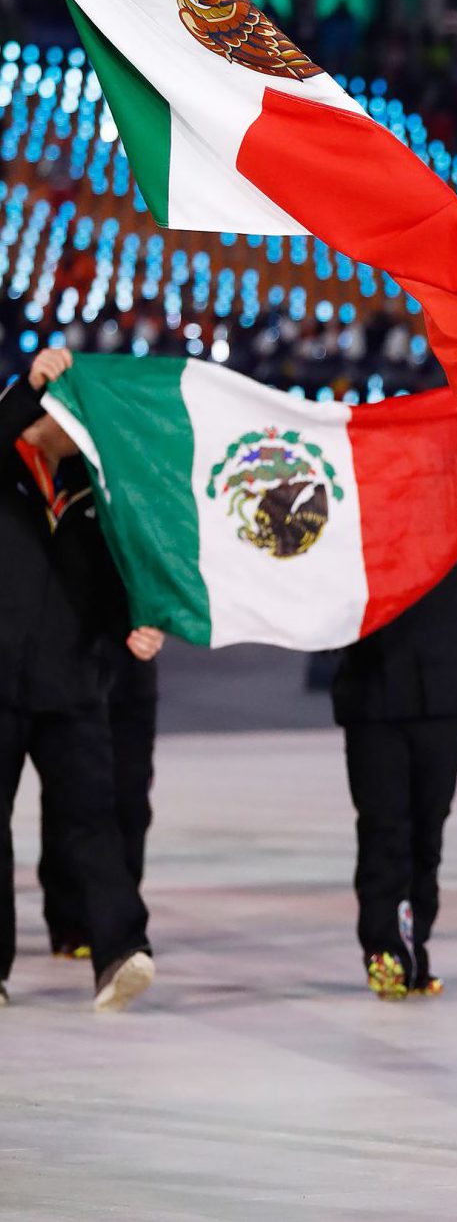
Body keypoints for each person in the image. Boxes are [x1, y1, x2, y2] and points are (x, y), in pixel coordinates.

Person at [332, 419, 457, 1000]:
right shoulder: (354, 526)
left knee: (428, 830)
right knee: (383, 826)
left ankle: (416, 946)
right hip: (373, 697)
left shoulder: (455, 515)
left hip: (441, 697)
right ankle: (382, 948)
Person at [0, 347, 157, 1010]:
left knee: (95, 818)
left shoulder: (96, 491)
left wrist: (138, 624)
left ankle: (120, 949)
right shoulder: (5, 463)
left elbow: (119, 578)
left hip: (73, 684)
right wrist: (28, 385)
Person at [40, 646, 159, 959]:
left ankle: (117, 924)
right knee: (73, 797)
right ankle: (74, 922)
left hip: (130, 660)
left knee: (131, 801)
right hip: (66, 660)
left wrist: (156, 625)